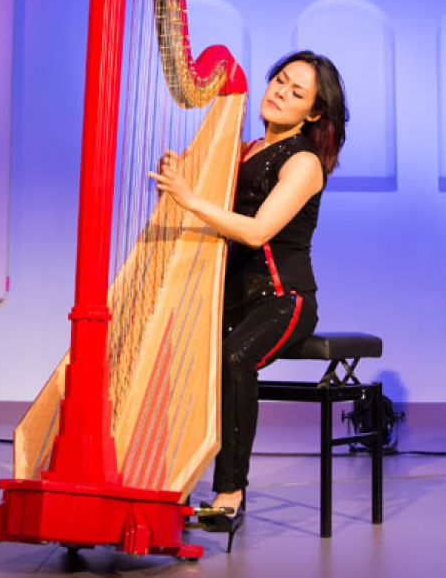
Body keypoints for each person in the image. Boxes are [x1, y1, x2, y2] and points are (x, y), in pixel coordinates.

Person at [150, 49, 349, 536]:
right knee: (175, 354)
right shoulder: (239, 150)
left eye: (296, 92)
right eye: (279, 80)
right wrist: (175, 186)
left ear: (314, 113)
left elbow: (258, 232)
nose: (280, 92)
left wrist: (190, 198)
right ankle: (163, 480)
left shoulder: (304, 162)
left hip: (284, 301)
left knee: (233, 358)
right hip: (233, 298)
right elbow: (203, 214)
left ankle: (230, 493)